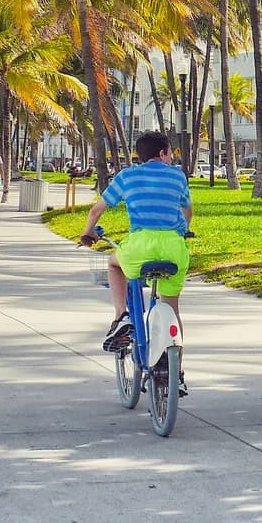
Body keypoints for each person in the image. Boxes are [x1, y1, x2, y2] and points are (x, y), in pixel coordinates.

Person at [80, 131, 194, 394]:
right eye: (170, 153)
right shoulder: (177, 175)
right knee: (172, 307)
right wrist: (184, 230)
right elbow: (187, 210)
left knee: (114, 264)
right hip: (174, 248)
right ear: (163, 153)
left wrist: (87, 232)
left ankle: (122, 316)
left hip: (140, 246)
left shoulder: (127, 176)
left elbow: (97, 210)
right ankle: (176, 372)